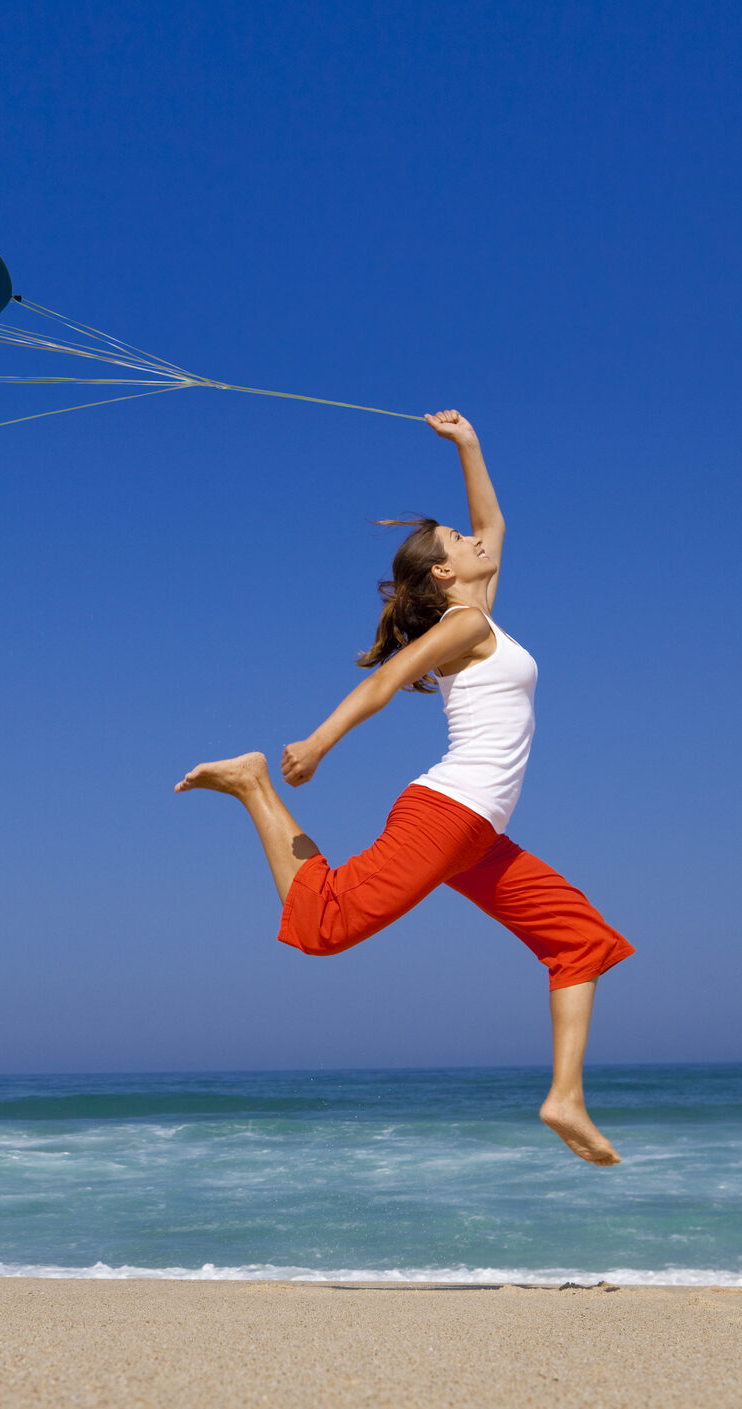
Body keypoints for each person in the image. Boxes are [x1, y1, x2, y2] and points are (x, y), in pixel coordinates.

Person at [175, 410, 634, 1165]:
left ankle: (564, 1097)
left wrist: (468, 443)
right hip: (446, 813)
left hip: (476, 834)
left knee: (579, 939)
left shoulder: (479, 610)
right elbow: (388, 677)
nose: (473, 537)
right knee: (324, 929)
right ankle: (255, 784)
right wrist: (318, 742)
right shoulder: (462, 622)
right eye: (457, 540)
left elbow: (493, 520)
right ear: (446, 574)